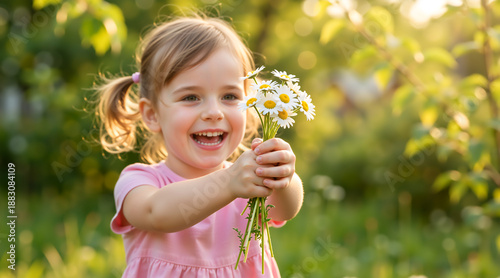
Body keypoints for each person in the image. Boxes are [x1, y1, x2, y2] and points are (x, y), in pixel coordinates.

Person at [94, 15, 304, 277]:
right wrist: (227, 182)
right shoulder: (139, 181)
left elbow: (286, 209)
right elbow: (157, 213)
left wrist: (283, 176)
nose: (214, 112)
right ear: (152, 114)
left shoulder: (248, 179)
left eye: (229, 96)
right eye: (191, 97)